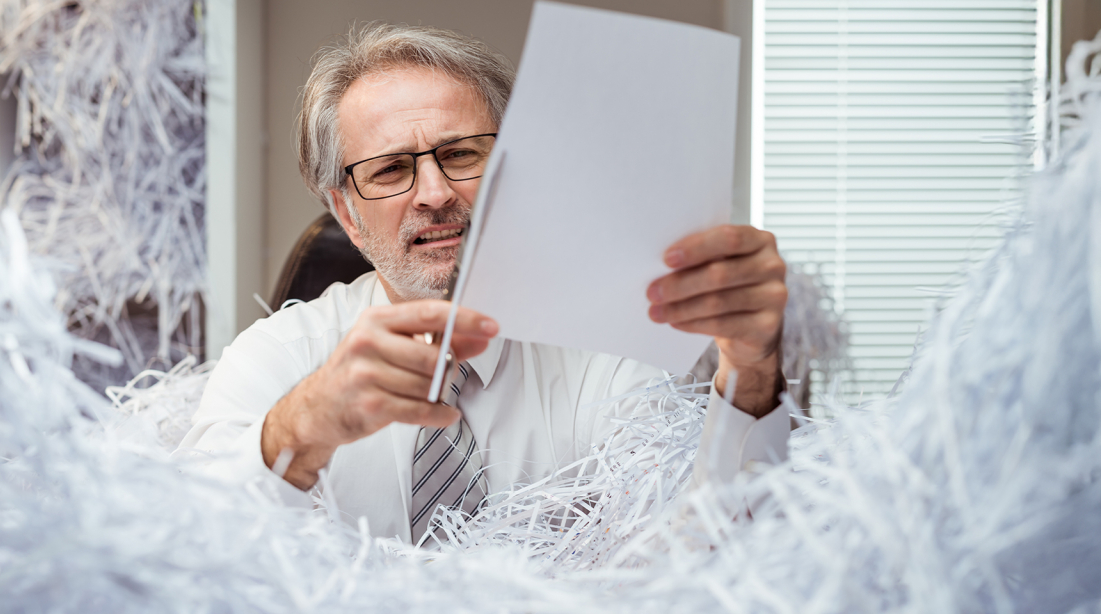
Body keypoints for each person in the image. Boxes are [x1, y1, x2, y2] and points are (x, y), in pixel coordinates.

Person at [180, 24, 791, 544]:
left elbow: (706, 552)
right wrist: (299, 431)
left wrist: (753, 372)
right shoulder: (275, 361)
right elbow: (185, 554)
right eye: (391, 169)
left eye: (463, 154)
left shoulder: (607, 351)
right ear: (348, 217)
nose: (436, 193)